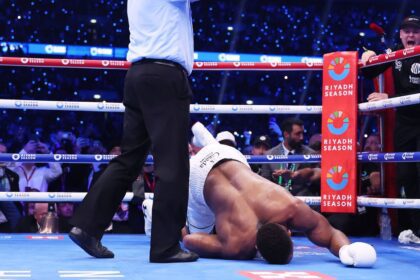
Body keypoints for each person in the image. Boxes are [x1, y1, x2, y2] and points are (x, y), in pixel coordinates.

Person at [69, 0, 199, 263]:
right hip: (164, 77)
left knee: (129, 159)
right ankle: (165, 247)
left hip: (138, 75)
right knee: (172, 163)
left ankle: (87, 226)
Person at [144, 123, 377, 266]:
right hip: (197, 180)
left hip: (229, 155)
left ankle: (206, 141)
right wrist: (345, 252)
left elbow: (329, 234)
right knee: (195, 230)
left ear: (286, 229)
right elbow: (189, 241)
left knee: (221, 176)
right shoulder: (238, 247)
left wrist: (346, 248)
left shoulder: (288, 206)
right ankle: (156, 213)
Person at [361, 15, 420, 237]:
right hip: (405, 122)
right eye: (407, 31)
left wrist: (389, 95)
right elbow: (367, 71)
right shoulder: (394, 53)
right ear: (401, 35)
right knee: (405, 175)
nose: (411, 35)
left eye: (415, 31)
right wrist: (369, 55)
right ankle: (412, 230)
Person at [260, 118, 320, 196]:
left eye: (302, 133)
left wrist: (298, 176)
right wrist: (274, 176)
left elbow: (316, 181)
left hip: (303, 202)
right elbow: (264, 183)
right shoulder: (269, 154)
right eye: (298, 134)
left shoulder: (311, 154)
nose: (301, 137)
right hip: (278, 201)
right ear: (286, 134)